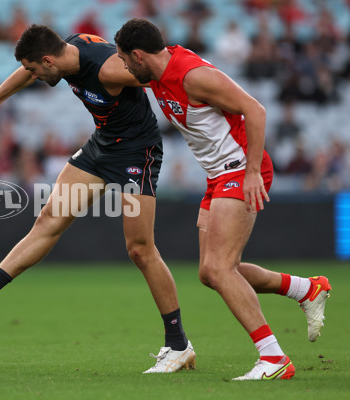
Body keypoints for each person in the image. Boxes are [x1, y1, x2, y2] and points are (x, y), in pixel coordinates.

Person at [0, 24, 196, 374]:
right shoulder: (65, 52)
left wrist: (204, 108)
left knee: (140, 250)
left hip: (136, 153)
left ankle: (178, 345)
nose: (34, 76)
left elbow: (164, 72)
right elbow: (23, 72)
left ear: (49, 61)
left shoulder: (108, 68)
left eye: (36, 70)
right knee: (48, 221)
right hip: (102, 146)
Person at [113, 18, 331, 381]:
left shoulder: (192, 76)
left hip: (241, 170)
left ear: (138, 55)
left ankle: (274, 358)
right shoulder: (153, 74)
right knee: (209, 273)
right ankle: (305, 288)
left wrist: (250, 172)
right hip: (218, 177)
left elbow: (256, 110)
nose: (121, 66)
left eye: (123, 59)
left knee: (220, 268)